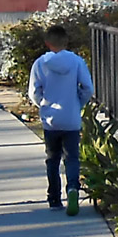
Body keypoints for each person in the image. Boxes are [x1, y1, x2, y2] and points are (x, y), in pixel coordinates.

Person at [28, 24, 93, 214]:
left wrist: (44, 105)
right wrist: (77, 103)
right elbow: (88, 88)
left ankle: (54, 198)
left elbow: (33, 91)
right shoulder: (77, 62)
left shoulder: (40, 63)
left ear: (47, 43)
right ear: (67, 41)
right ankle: (72, 188)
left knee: (52, 158)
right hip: (71, 117)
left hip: (51, 120)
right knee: (72, 158)